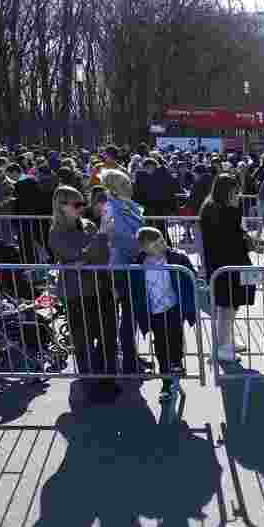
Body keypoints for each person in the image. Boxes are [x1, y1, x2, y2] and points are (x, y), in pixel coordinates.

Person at [48, 185, 119, 400]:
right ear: (61, 207)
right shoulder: (56, 232)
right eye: (76, 204)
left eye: (82, 203)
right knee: (83, 339)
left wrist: (85, 256)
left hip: (101, 286)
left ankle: (108, 379)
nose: (82, 208)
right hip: (76, 292)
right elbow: (74, 254)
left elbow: (100, 256)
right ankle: (90, 383)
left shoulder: (88, 225)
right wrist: (89, 251)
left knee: (107, 335)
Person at [134, 227, 198, 421]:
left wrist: (195, 283)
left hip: (173, 306)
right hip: (153, 311)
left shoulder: (177, 258)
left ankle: (177, 364)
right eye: (156, 244)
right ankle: (166, 380)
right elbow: (134, 286)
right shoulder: (139, 263)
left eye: (162, 240)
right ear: (145, 248)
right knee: (160, 345)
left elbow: (191, 274)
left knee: (175, 337)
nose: (162, 245)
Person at [200, 173, 255, 362]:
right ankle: (222, 346)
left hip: (230, 264)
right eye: (235, 192)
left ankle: (227, 340)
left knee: (232, 305)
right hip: (224, 265)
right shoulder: (216, 210)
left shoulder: (220, 208)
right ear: (225, 192)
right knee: (226, 307)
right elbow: (227, 240)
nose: (238, 195)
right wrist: (245, 240)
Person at [101, 169, 146, 373]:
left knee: (131, 315)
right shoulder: (111, 208)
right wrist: (143, 246)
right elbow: (119, 237)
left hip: (130, 264)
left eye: (129, 183)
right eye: (125, 184)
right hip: (120, 267)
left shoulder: (127, 206)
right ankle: (128, 359)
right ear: (114, 189)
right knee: (127, 315)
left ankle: (131, 355)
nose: (130, 187)